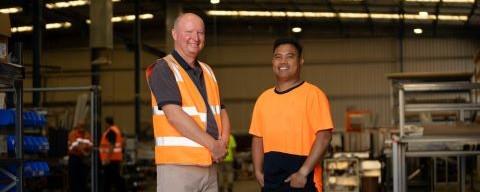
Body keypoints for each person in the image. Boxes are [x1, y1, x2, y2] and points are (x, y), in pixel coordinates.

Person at [146, 13, 231, 192]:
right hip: (178, 167)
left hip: (209, 165)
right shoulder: (163, 68)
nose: (196, 37)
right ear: (174, 34)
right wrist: (213, 145)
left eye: (200, 32)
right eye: (189, 31)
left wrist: (222, 144)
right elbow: (174, 115)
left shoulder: (207, 71)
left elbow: (221, 110)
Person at [249, 37, 333, 192]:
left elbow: (324, 136)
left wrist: (303, 172)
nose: (283, 62)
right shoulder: (263, 99)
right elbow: (257, 138)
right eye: (278, 57)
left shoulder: (314, 95)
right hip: (271, 182)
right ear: (272, 62)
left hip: (303, 181)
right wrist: (257, 171)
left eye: (289, 56)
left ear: (300, 61)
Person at [99, 116, 126, 192]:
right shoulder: (117, 130)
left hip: (111, 160)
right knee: (109, 180)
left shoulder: (111, 131)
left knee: (114, 179)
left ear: (107, 123)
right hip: (115, 159)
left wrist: (107, 158)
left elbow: (112, 145)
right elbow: (123, 143)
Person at [67, 121, 92, 192]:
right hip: (74, 158)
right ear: (77, 126)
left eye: (83, 126)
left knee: (83, 178)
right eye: (80, 126)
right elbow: (75, 145)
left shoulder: (87, 134)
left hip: (83, 159)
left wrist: (87, 152)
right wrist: (84, 151)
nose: (82, 128)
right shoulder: (73, 134)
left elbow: (90, 145)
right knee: (74, 178)